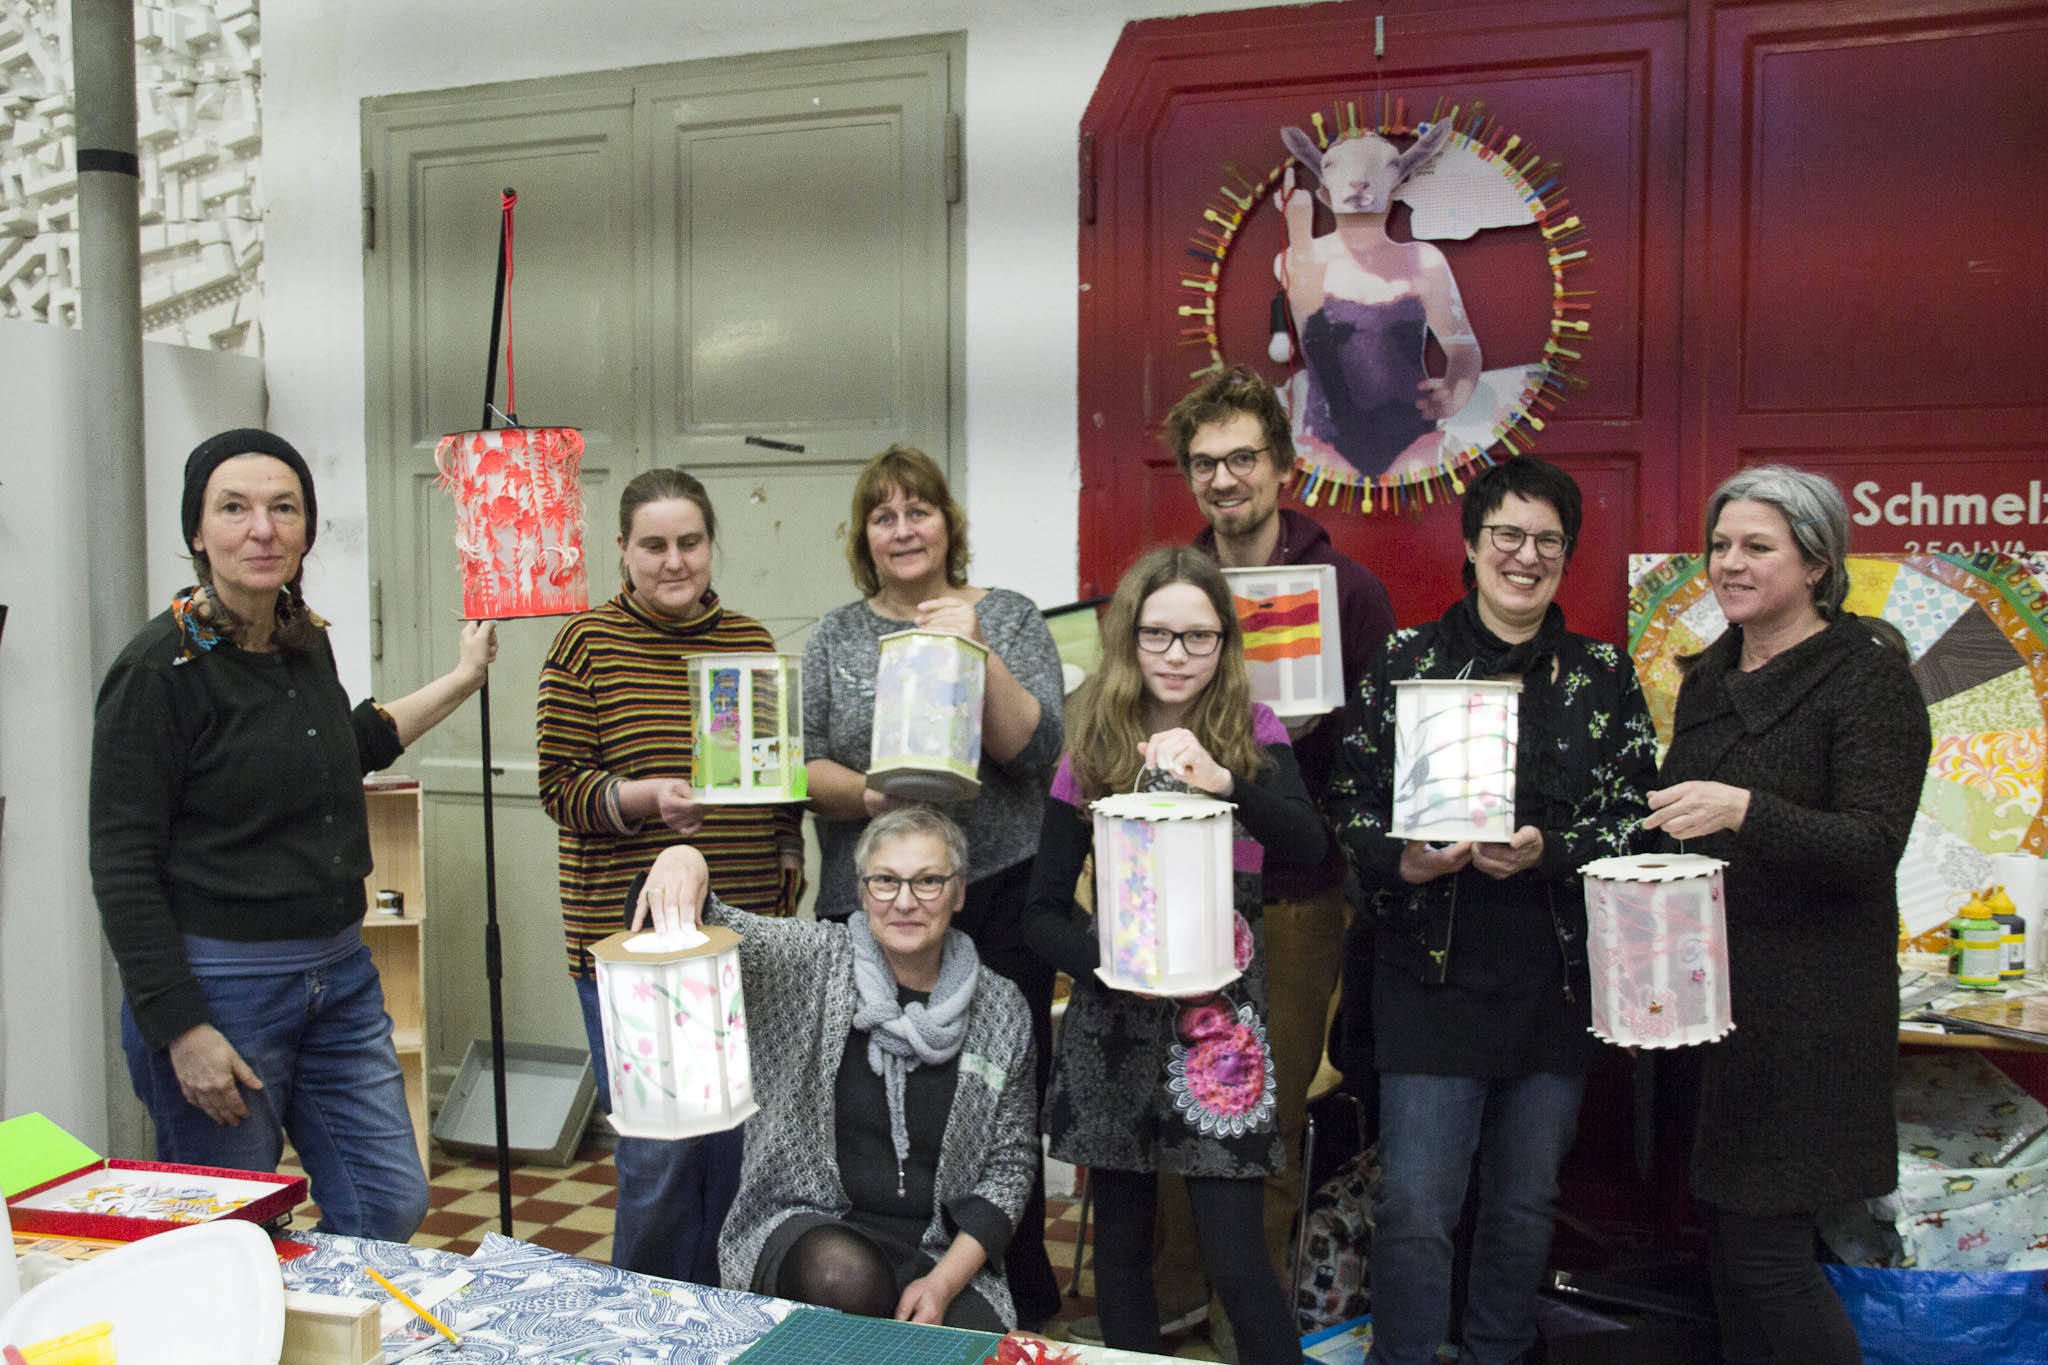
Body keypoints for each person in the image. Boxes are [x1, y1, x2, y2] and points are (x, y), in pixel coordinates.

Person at [90, 428, 497, 1241]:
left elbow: (345, 748)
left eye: (283, 508)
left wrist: (464, 678)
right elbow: (122, 863)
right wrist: (181, 1027)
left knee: (388, 1201)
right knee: (229, 1228)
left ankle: (314, 1311)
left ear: (307, 526)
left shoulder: (302, 639)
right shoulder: (157, 670)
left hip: (337, 976)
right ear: (197, 529)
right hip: (221, 989)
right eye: (233, 508)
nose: (262, 529)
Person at [1325, 456, 1657, 1365]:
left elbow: (1639, 815)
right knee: (1416, 1206)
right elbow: (1348, 798)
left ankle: (1499, 1351)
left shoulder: (1603, 673)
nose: (1526, 555)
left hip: (1555, 982)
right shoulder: (1407, 661)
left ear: (1567, 555)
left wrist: (1555, 848)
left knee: (1523, 1203)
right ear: (1471, 545)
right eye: (1507, 534)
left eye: (1548, 540)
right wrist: (1405, 859)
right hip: (1429, 978)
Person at [1645, 466, 1930, 1365]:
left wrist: (1744, 810)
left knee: (1769, 1258)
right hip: (1709, 1009)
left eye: (1756, 546)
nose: (1729, 563)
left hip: (1810, 1020)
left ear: (1817, 564)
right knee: (1732, 1253)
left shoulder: (1867, 678)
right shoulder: (1708, 676)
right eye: (1720, 545)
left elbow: (1870, 845)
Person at [1023, 546, 1328, 1364]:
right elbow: (1041, 912)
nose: (1177, 654)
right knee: (1123, 1253)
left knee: (1238, 1259)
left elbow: (1308, 842)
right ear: (1130, 637)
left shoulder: (1254, 732)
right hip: (1113, 1023)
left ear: (1224, 642)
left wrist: (1227, 781)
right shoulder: (1093, 743)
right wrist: (1115, 961)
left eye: (1199, 636)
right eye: (1158, 634)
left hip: (1221, 1033)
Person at [800, 444, 1065, 1322]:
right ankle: (869, 1272)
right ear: (864, 537)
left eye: (919, 510)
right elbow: (804, 766)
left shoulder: (1009, 616)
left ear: (949, 525)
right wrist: (873, 795)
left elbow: (1037, 751)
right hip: (873, 901)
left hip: (995, 891)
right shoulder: (835, 633)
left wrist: (975, 649)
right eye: (884, 515)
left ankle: (1008, 1281)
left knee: (997, 1099)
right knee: (869, 1098)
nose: (903, 528)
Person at [1161, 364, 1396, 1330]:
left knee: (1269, 1111)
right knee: (1177, 1101)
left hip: (1298, 893)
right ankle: (1174, 1304)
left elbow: (1380, 757)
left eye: (1242, 458)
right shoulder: (1170, 589)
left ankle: (1245, 1319)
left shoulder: (1348, 592)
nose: (1223, 478)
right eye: (1204, 462)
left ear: (1283, 466)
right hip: (1181, 889)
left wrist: (1295, 750)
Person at [537, 466, 805, 1285]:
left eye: (690, 541)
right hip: (637, 950)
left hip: (744, 934)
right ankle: (643, 1322)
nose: (674, 560)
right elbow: (559, 787)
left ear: (711, 543)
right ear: (622, 548)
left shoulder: (749, 641)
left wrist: (789, 855)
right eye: (653, 545)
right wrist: (643, 797)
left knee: (738, 1156)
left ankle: (723, 1320)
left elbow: (778, 778)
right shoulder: (585, 643)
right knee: (661, 1160)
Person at [630, 806, 1037, 1330]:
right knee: (844, 1276)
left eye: (928, 881)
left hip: (938, 1255)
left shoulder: (1001, 1008)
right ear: (862, 892)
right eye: (885, 881)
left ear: (958, 892)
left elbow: (1010, 1168)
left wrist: (942, 1284)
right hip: (810, 1229)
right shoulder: (814, 961)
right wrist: (683, 859)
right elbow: (699, 926)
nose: (905, 901)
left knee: (976, 1346)